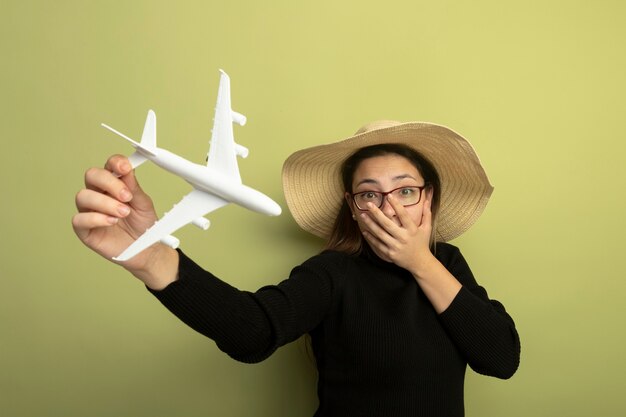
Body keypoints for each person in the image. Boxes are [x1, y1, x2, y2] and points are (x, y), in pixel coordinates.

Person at [73, 120, 520, 417]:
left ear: (430, 199)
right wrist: (153, 258)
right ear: (354, 209)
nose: (388, 208)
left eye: (405, 191)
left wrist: (419, 261)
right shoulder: (332, 274)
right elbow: (252, 332)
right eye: (369, 193)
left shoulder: (449, 264)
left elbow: (501, 359)